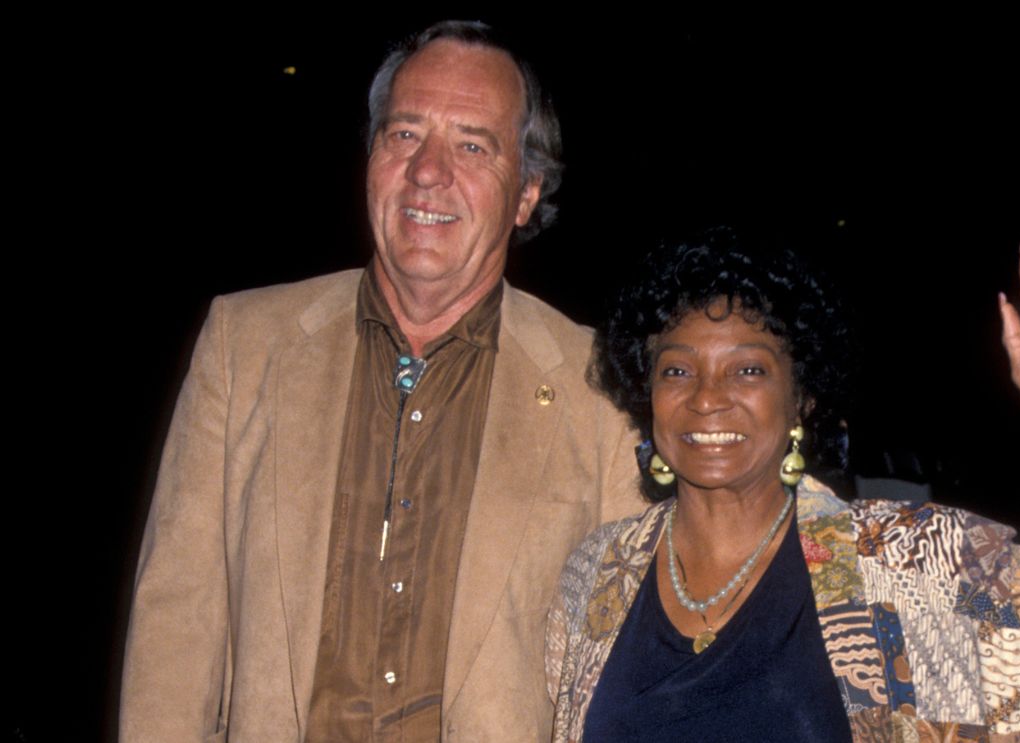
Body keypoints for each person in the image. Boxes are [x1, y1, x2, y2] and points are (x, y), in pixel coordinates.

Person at [121, 21, 641, 743]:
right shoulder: (244, 343)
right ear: (370, 156)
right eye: (404, 135)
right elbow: (174, 625)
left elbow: (626, 671)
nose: (428, 171)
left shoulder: (600, 391)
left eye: (471, 144)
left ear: (525, 192)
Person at [546, 224, 1020, 742]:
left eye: (748, 370)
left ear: (800, 397)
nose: (707, 397)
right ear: (647, 393)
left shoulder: (905, 562)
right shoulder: (597, 575)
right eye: (676, 370)